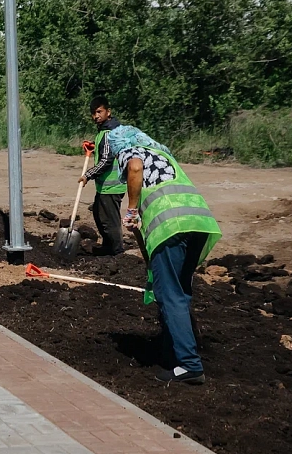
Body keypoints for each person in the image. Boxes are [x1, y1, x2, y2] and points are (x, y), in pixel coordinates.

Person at [119, 143, 221, 384]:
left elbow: (134, 167)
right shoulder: (162, 154)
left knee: (170, 294)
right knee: (180, 291)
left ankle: (189, 365)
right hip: (198, 222)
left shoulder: (127, 150)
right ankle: (174, 350)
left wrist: (132, 209)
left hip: (171, 227)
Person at [79, 96, 127, 256]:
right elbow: (105, 149)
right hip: (106, 185)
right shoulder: (105, 131)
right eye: (93, 113)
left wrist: (88, 175)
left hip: (112, 186)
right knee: (99, 215)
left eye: (99, 111)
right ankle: (108, 247)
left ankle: (117, 252)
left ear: (108, 112)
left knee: (109, 221)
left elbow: (106, 160)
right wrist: (94, 145)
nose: (96, 116)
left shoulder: (109, 133)